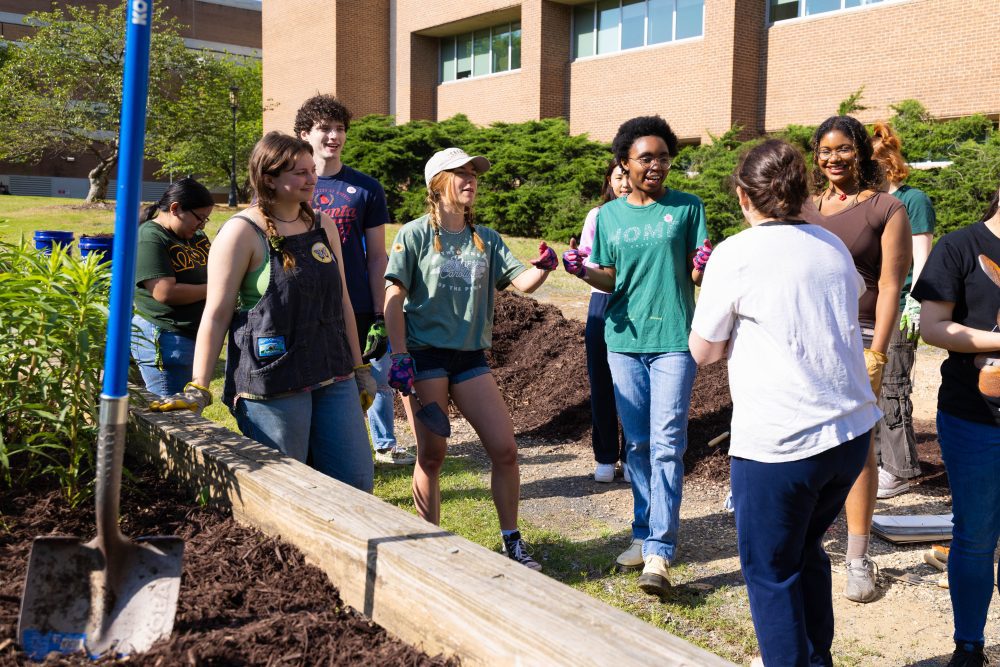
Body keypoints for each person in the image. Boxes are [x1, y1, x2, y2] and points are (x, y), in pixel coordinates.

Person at [690, 139, 881, 667]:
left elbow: (704, 352)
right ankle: (818, 659)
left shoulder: (735, 253)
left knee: (770, 573)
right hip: (848, 433)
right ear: (801, 190)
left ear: (743, 195)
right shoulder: (831, 246)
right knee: (805, 550)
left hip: (782, 441)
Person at [150, 132, 376, 492]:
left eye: (311, 171)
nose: (311, 179)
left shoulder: (323, 225)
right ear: (269, 178)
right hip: (273, 383)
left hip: (334, 373)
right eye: (300, 173)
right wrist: (199, 386)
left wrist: (359, 367)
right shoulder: (241, 232)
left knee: (357, 483)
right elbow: (217, 313)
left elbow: (343, 302)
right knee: (290, 489)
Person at [384, 147, 558, 570]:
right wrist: (400, 355)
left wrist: (546, 266)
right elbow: (393, 297)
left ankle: (512, 541)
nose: (470, 180)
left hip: (469, 358)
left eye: (472, 174)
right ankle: (428, 546)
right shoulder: (414, 235)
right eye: (459, 174)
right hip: (423, 356)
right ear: (437, 185)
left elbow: (524, 283)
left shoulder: (489, 239)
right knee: (432, 456)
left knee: (505, 449)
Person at [562, 115, 713, 596]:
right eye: (646, 158)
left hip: (672, 339)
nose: (657, 165)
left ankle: (660, 552)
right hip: (622, 341)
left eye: (664, 157)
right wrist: (584, 272)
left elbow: (695, 274)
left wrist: (705, 267)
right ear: (624, 165)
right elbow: (609, 277)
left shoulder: (687, 208)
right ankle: (643, 533)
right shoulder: (608, 217)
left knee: (668, 442)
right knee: (639, 446)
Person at [802, 115, 911, 603]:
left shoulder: (886, 209)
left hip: (861, 336)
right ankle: (806, 542)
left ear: (861, 152)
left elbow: (891, 286)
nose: (832, 159)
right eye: (825, 150)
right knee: (807, 437)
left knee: (857, 445)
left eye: (843, 149)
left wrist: (879, 351)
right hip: (807, 335)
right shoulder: (803, 208)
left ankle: (858, 556)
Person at [294, 94, 413, 466]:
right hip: (304, 304)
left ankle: (374, 446)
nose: (334, 136)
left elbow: (377, 255)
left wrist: (380, 309)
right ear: (304, 134)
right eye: (324, 128)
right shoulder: (288, 184)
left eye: (340, 129)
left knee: (365, 380)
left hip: (357, 302)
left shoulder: (365, 188)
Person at [912, 186, 1000, 667]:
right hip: (975, 418)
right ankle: (969, 646)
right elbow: (933, 326)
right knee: (976, 534)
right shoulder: (960, 247)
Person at [870, 121, 936, 498]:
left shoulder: (913, 200)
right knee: (873, 384)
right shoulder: (871, 201)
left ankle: (900, 468)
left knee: (893, 385)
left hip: (902, 306)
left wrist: (916, 300)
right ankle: (879, 461)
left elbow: (922, 257)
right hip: (874, 306)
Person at [131, 177, 214, 397]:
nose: (202, 225)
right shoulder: (150, 236)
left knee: (186, 413)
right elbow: (164, 292)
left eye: (206, 220)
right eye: (199, 218)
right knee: (172, 417)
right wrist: (216, 288)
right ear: (176, 209)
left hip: (192, 336)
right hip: (166, 337)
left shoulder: (195, 237)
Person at [577, 159, 631, 483]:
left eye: (628, 176)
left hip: (635, 303)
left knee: (632, 385)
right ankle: (606, 456)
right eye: (618, 177)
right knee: (601, 380)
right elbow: (586, 257)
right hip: (602, 300)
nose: (624, 183)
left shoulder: (646, 216)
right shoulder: (597, 216)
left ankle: (632, 456)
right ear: (609, 181)